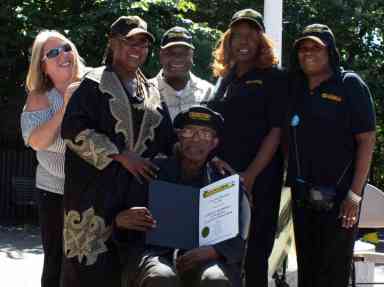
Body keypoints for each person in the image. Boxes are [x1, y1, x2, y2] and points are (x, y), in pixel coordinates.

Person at [61, 16, 174, 286]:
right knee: (91, 274)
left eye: (143, 43)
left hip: (137, 201)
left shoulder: (152, 90)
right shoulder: (93, 84)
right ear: (112, 43)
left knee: (133, 274)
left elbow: (168, 141)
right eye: (129, 41)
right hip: (93, 204)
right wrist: (120, 154)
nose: (137, 48)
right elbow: (72, 130)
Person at [113, 106, 251, 287]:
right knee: (160, 276)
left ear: (214, 143)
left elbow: (239, 235)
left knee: (214, 279)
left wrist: (215, 251)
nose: (195, 139)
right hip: (155, 253)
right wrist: (121, 220)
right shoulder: (151, 170)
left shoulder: (224, 182)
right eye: (189, 132)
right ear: (179, 136)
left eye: (205, 134)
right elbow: (123, 224)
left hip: (208, 256)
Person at [287, 24, 376, 287]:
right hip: (302, 196)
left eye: (316, 47)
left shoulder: (349, 84)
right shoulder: (295, 87)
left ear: (331, 52)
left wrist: (354, 195)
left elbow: (367, 140)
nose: (308, 52)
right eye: (303, 47)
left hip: (339, 199)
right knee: (308, 269)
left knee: (333, 270)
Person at [208, 8, 288, 287]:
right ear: (228, 42)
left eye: (250, 36)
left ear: (261, 41)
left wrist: (250, 175)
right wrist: (214, 158)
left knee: (254, 254)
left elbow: (277, 131)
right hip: (222, 179)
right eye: (237, 36)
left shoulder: (273, 78)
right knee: (221, 253)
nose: (243, 42)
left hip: (259, 181)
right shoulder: (225, 78)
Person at [20, 30, 85, 287]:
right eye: (53, 53)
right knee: (57, 261)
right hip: (54, 191)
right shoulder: (40, 96)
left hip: (92, 189)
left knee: (88, 262)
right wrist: (66, 105)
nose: (63, 55)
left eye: (66, 47)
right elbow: (37, 141)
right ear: (43, 65)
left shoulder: (94, 84)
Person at [151, 26, 214, 120]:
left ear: (192, 55)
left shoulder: (208, 92)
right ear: (161, 55)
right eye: (170, 53)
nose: (177, 58)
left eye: (184, 53)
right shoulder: (147, 91)